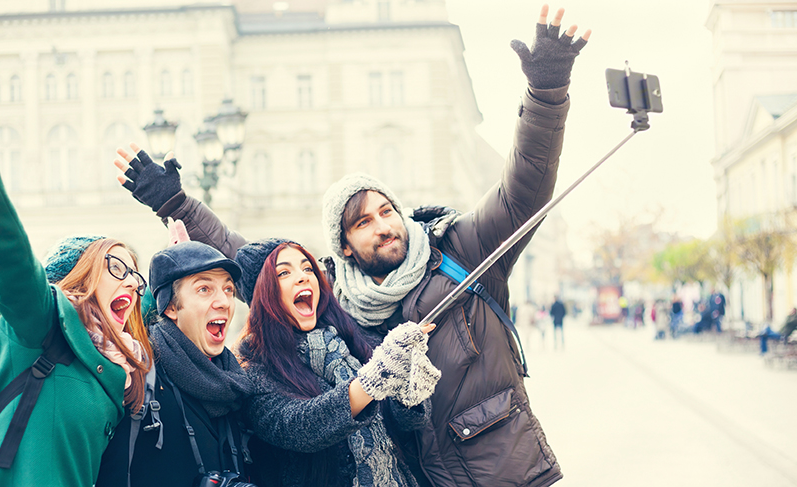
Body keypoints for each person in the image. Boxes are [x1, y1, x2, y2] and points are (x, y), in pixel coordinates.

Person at [114, 5, 588, 486]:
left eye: (388, 211)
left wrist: (547, 92)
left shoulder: (462, 248)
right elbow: (251, 260)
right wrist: (174, 202)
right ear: (343, 246)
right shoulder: (332, 294)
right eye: (364, 222)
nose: (384, 226)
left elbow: (523, 191)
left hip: (500, 473)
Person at [0, 97, 152, 486]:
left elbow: (169, 301)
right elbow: (8, 254)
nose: (131, 281)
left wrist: (179, 229)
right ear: (81, 278)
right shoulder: (41, 326)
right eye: (117, 266)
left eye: (136, 275)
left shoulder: (119, 360)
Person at [233, 238, 440, 487]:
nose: (303, 277)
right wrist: (375, 379)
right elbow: (299, 427)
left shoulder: (356, 338)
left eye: (308, 268)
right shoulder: (253, 367)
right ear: (260, 295)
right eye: (284, 272)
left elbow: (406, 426)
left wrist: (410, 391)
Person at [95, 233, 255, 487]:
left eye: (228, 289)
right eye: (204, 289)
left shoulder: (238, 383)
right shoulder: (134, 375)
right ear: (170, 307)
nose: (224, 302)